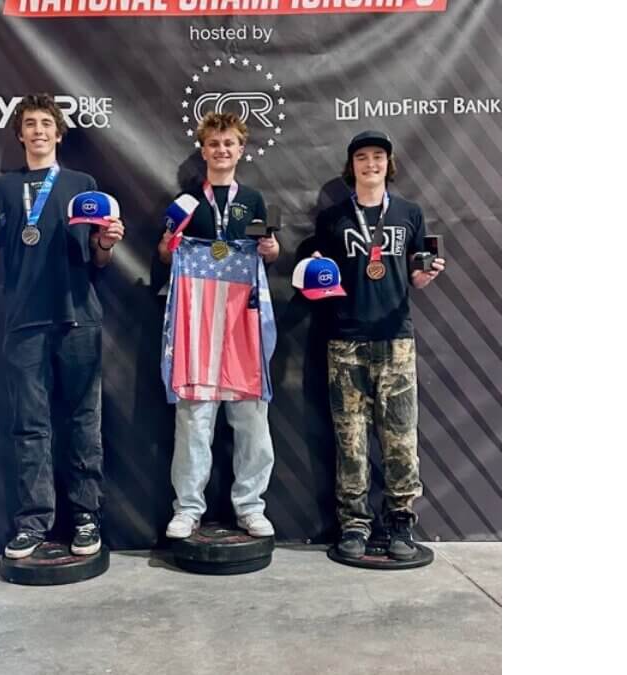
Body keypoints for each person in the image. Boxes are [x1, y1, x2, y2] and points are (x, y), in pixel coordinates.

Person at [0, 93, 124, 559]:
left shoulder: (82, 182)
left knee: (83, 423)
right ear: (19, 134)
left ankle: (87, 519)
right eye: (29, 123)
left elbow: (98, 258)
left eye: (46, 124)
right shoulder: (3, 188)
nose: (38, 131)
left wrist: (108, 243)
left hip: (79, 316)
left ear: (58, 132)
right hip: (23, 321)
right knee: (30, 426)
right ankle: (33, 522)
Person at [311, 130, 445, 560]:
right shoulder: (332, 218)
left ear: (389, 164)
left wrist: (422, 277)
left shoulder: (409, 213)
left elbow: (413, 271)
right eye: (363, 157)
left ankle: (401, 522)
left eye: (379, 157)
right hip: (345, 341)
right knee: (350, 440)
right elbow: (321, 274)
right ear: (351, 166)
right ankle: (354, 523)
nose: (371, 164)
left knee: (401, 439)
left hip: (396, 340)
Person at [156, 111, 279, 540]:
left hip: (242, 323)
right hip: (197, 324)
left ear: (240, 149)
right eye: (213, 144)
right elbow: (166, 256)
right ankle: (188, 509)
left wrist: (271, 248)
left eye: (229, 144)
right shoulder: (187, 203)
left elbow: (268, 255)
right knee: (193, 421)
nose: (221, 150)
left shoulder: (255, 201)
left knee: (251, 419)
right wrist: (170, 245)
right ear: (203, 150)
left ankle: (250, 506)